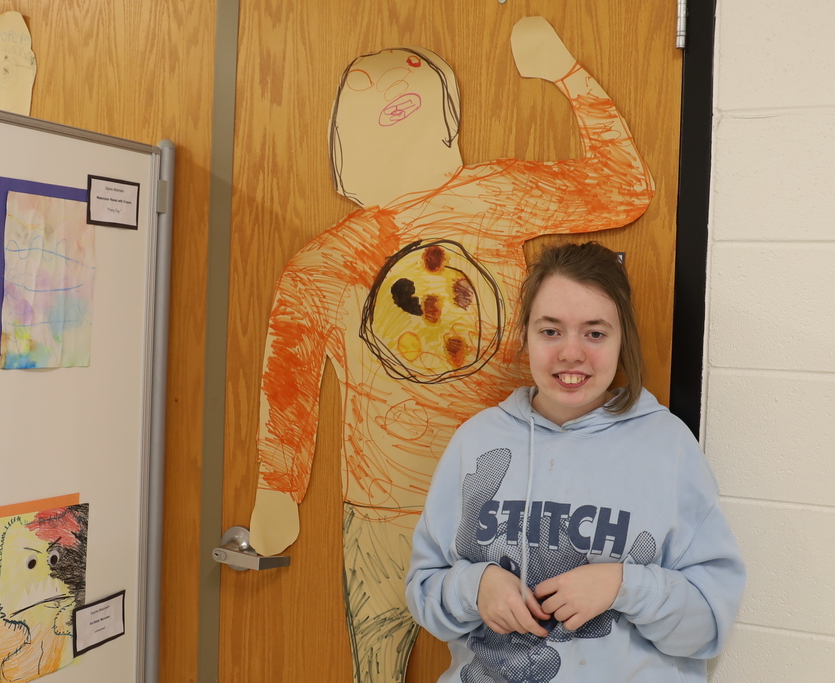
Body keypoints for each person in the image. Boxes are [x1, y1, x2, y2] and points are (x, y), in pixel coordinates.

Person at [249, 17, 654, 683]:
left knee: (508, 664)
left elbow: (624, 189)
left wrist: (568, 75)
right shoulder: (321, 263)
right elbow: (287, 381)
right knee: (381, 665)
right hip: (386, 512)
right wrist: (278, 488)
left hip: (492, 498)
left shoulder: (494, 194)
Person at [405, 242, 745, 683]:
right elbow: (423, 591)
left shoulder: (668, 448)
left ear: (623, 340)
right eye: (551, 331)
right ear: (526, 334)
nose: (571, 353)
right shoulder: (478, 442)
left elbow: (708, 627)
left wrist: (624, 586)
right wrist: (475, 587)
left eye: (595, 333)